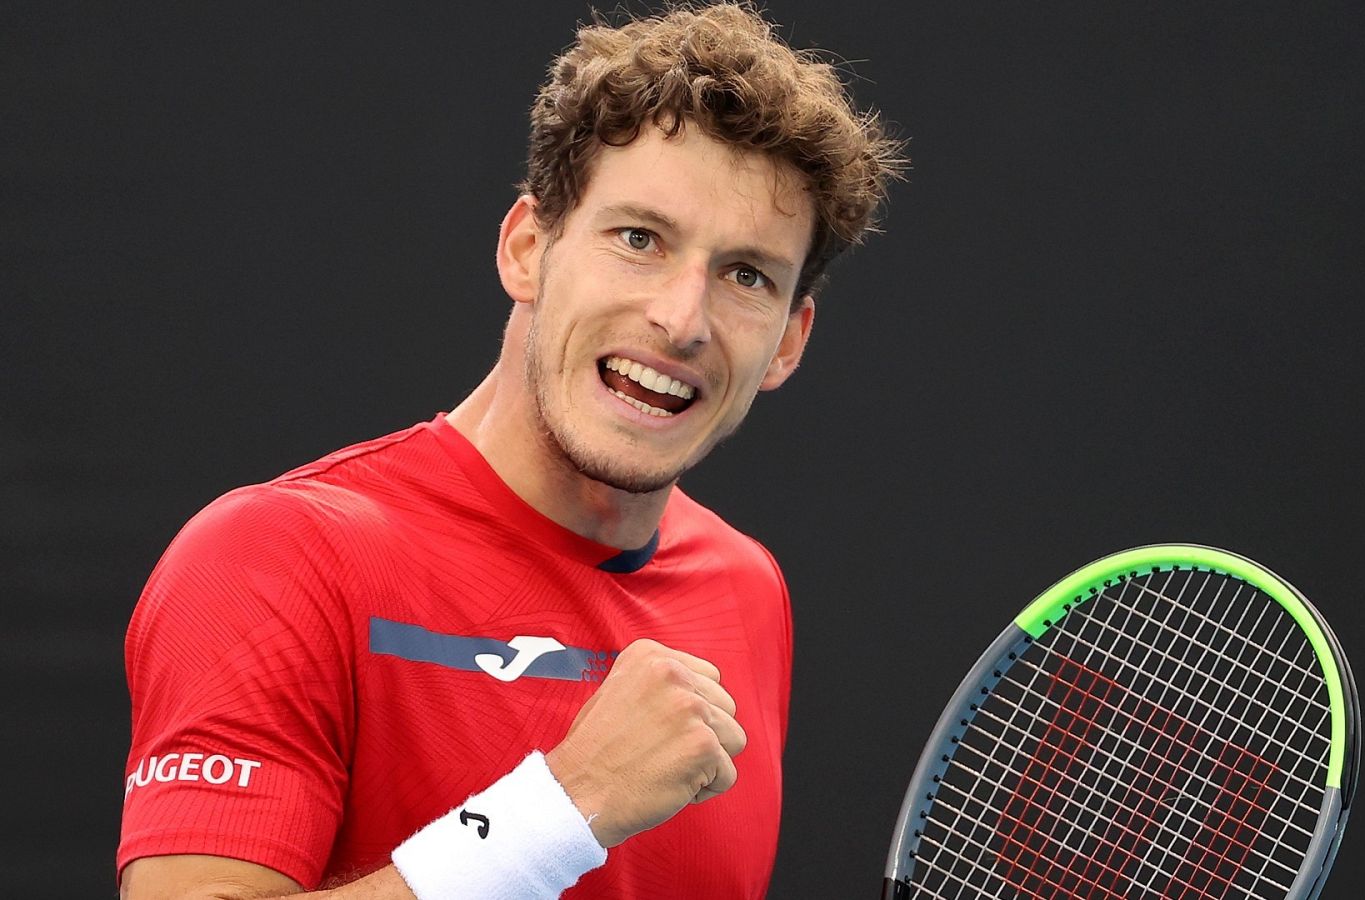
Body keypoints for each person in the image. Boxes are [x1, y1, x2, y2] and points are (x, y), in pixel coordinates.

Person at [115, 4, 902, 898]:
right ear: (528, 249)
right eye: (639, 239)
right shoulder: (271, 559)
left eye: (746, 276)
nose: (683, 321)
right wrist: (564, 810)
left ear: (790, 342)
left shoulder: (747, 592)